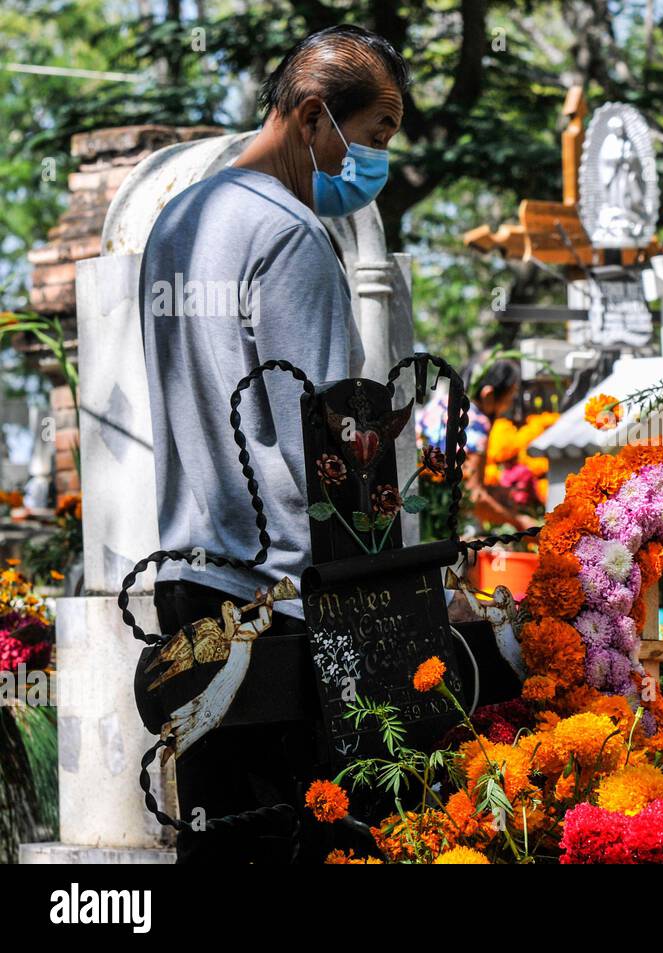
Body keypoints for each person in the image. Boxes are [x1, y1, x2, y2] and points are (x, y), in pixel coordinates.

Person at [137, 25, 408, 862]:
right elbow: (326, 446)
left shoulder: (175, 223)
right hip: (282, 597)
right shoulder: (291, 237)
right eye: (373, 139)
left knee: (215, 834)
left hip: (189, 585)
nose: (374, 166)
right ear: (315, 116)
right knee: (304, 835)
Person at [417, 357, 538, 532]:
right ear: (488, 394)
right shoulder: (474, 424)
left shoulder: (441, 403)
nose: (510, 404)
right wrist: (519, 523)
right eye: (510, 396)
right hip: (435, 527)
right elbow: (472, 497)